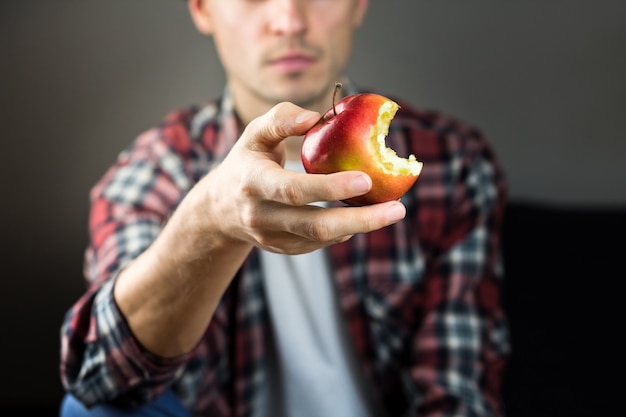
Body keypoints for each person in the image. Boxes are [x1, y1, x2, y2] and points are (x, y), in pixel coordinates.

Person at [59, 0, 510, 416]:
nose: (290, 20)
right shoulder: (156, 171)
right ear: (201, 8)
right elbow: (99, 381)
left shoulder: (451, 165)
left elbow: (457, 391)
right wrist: (209, 225)